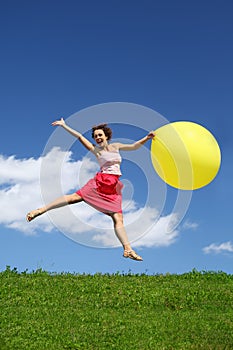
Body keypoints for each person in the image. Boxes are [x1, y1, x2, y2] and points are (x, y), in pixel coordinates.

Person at [26, 118, 155, 261]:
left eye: (100, 135)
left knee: (118, 217)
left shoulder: (116, 146)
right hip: (101, 181)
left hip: (113, 186)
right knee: (75, 198)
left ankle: (128, 250)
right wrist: (64, 126)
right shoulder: (96, 150)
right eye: (95, 136)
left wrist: (147, 138)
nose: (98, 138)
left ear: (106, 136)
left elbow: (134, 146)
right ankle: (40, 210)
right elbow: (79, 136)